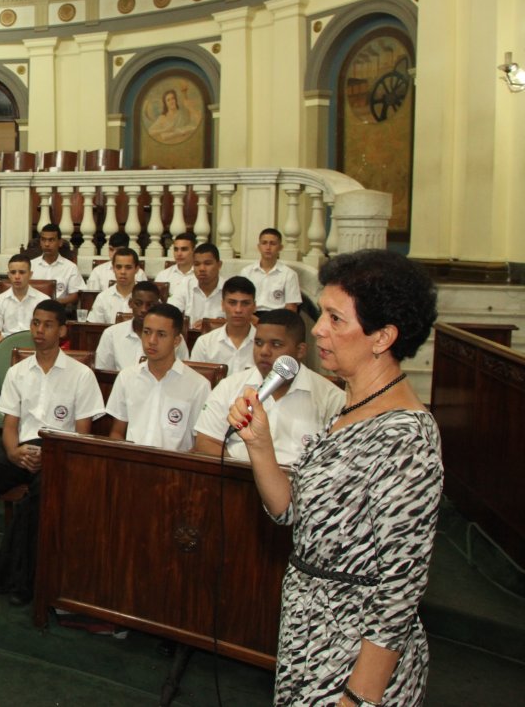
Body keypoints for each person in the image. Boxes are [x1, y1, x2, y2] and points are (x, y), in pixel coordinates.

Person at [225, 249, 441, 707]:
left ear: (383, 337)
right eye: (322, 313)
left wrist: (359, 697)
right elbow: (290, 512)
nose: (319, 328)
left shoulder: (406, 435)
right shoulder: (349, 408)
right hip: (310, 631)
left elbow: (400, 586)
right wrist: (259, 443)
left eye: (336, 319)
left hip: (354, 650)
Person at [0, 300, 103, 604]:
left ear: (63, 330)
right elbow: (10, 425)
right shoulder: (18, 371)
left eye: (48, 324)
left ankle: (22, 579)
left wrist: (52, 455)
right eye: (36, 323)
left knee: (37, 498)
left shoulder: (81, 375)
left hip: (61, 453)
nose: (39, 330)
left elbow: (83, 433)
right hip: (22, 448)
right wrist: (13, 453)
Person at [195, 308, 344, 464]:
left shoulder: (330, 397)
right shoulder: (229, 386)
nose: (264, 351)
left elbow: (335, 462)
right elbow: (206, 442)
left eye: (276, 344)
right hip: (239, 478)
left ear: (300, 351)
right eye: (258, 343)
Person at [105, 303, 211, 452]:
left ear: (176, 341)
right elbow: (117, 432)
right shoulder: (126, 377)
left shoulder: (198, 385)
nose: (152, 340)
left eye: (161, 334)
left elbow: (199, 443)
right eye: (147, 332)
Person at [0, 253, 49, 393]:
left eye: (22, 272)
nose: (17, 276)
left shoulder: (43, 300)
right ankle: (1, 400)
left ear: (30, 274)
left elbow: (47, 332)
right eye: (13, 272)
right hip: (6, 346)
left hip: (34, 348)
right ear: (8, 275)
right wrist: (5, 349)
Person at [92, 281, 187, 371]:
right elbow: (103, 374)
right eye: (138, 303)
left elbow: (183, 371)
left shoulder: (173, 338)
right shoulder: (111, 334)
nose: (143, 310)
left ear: (158, 305)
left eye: (150, 305)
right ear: (130, 303)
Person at [189, 275, 258, 375]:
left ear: (254, 307)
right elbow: (195, 385)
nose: (238, 310)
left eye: (245, 303)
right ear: (222, 305)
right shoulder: (205, 343)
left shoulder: (265, 346)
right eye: (232, 303)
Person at [243, 228, 302, 313]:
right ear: (259, 247)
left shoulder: (289, 274)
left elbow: (291, 308)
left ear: (280, 247)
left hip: (277, 318)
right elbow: (241, 301)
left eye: (273, 243)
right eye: (264, 243)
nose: (268, 247)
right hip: (251, 316)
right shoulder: (246, 272)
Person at [169, 243, 224, 329]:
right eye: (197, 264)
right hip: (190, 338)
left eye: (207, 263)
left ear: (219, 265)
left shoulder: (229, 288)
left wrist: (211, 324)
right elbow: (169, 314)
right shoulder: (185, 284)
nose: (202, 269)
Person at [29, 224, 82, 307]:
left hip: (59, 308)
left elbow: (75, 295)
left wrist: (55, 303)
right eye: (43, 240)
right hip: (32, 307)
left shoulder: (70, 267)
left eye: (51, 240)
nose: (46, 244)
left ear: (60, 242)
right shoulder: (30, 265)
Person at [86, 247, 139, 324]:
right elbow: (94, 329)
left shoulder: (148, 297)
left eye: (128, 267)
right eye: (118, 267)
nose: (123, 272)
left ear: (136, 269)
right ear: (113, 268)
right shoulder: (103, 298)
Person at [155, 232, 197, 299]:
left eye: (184, 249)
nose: (179, 254)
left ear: (194, 251)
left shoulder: (201, 275)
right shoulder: (163, 276)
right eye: (176, 249)